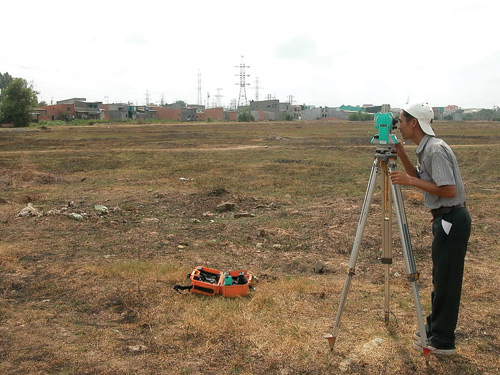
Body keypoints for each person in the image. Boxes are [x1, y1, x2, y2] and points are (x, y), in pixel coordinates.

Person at [389, 101, 471, 355]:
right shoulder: (424, 149)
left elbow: (449, 190)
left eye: (401, 120)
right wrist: (400, 152)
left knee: (446, 281)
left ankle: (443, 340)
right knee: (440, 278)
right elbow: (420, 176)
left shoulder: (435, 150)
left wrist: (410, 181)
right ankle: (434, 328)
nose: (399, 125)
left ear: (414, 123)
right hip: (444, 219)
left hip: (452, 219)